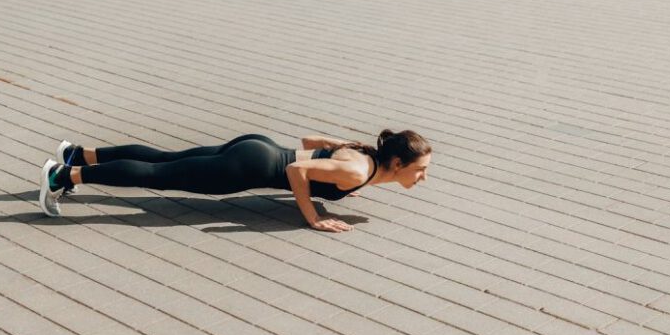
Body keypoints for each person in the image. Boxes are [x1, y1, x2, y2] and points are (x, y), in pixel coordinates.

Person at [39, 129, 432, 233]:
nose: (423, 177)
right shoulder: (358, 171)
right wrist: (311, 216)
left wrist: (333, 145)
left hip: (256, 147)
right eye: (420, 169)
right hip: (245, 169)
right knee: (160, 174)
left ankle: (78, 154)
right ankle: (64, 175)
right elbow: (297, 172)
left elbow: (308, 145)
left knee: (164, 158)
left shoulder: (360, 154)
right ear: (396, 162)